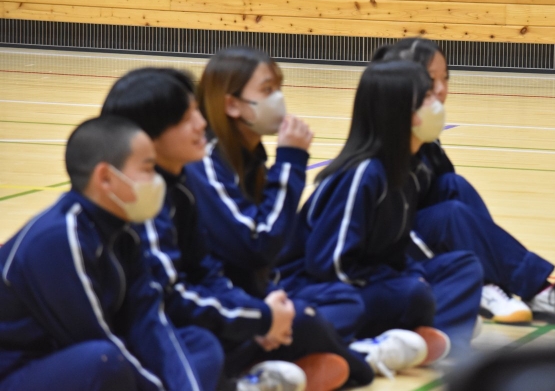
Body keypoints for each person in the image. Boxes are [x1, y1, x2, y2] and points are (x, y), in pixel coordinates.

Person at [102, 67, 412, 390]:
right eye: (186, 118)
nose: (201, 123)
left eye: (197, 111)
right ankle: (353, 361)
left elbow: (207, 273)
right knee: (210, 346)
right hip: (159, 336)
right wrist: (259, 317)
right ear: (147, 136)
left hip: (211, 314)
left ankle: (263, 373)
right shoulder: (148, 198)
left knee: (322, 309)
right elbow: (175, 297)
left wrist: (259, 314)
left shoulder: (181, 188)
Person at [182, 47, 432, 381]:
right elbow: (257, 244)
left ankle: (301, 357)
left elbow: (268, 255)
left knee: (344, 302)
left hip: (257, 296)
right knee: (305, 319)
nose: (279, 98)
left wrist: (271, 302)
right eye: (267, 90)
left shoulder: (252, 157)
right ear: (232, 104)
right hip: (225, 305)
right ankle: (360, 360)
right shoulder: (208, 162)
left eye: (279, 88)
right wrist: (290, 162)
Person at [374, 37, 555, 325]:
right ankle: (527, 289)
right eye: (430, 80)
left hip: (420, 237)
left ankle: (500, 287)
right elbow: (390, 237)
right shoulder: (379, 156)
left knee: (454, 186)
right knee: (451, 213)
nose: (442, 89)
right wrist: (464, 273)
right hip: (390, 258)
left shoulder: (425, 140)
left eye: (445, 78)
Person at [276, 60, 484, 365]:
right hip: (320, 288)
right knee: (412, 295)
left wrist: (410, 276)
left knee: (463, 267)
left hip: (370, 280)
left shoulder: (408, 169)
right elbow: (330, 265)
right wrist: (405, 282)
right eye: (427, 97)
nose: (437, 102)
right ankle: (409, 337)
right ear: (401, 111)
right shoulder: (363, 173)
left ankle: (425, 337)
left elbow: (396, 253)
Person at [0, 115, 223, 391]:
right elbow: (93, 336)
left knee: (199, 344)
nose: (157, 179)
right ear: (105, 178)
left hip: (84, 358)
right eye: (148, 168)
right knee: (104, 360)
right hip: (19, 371)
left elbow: (148, 320)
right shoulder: (59, 238)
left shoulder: (125, 233)